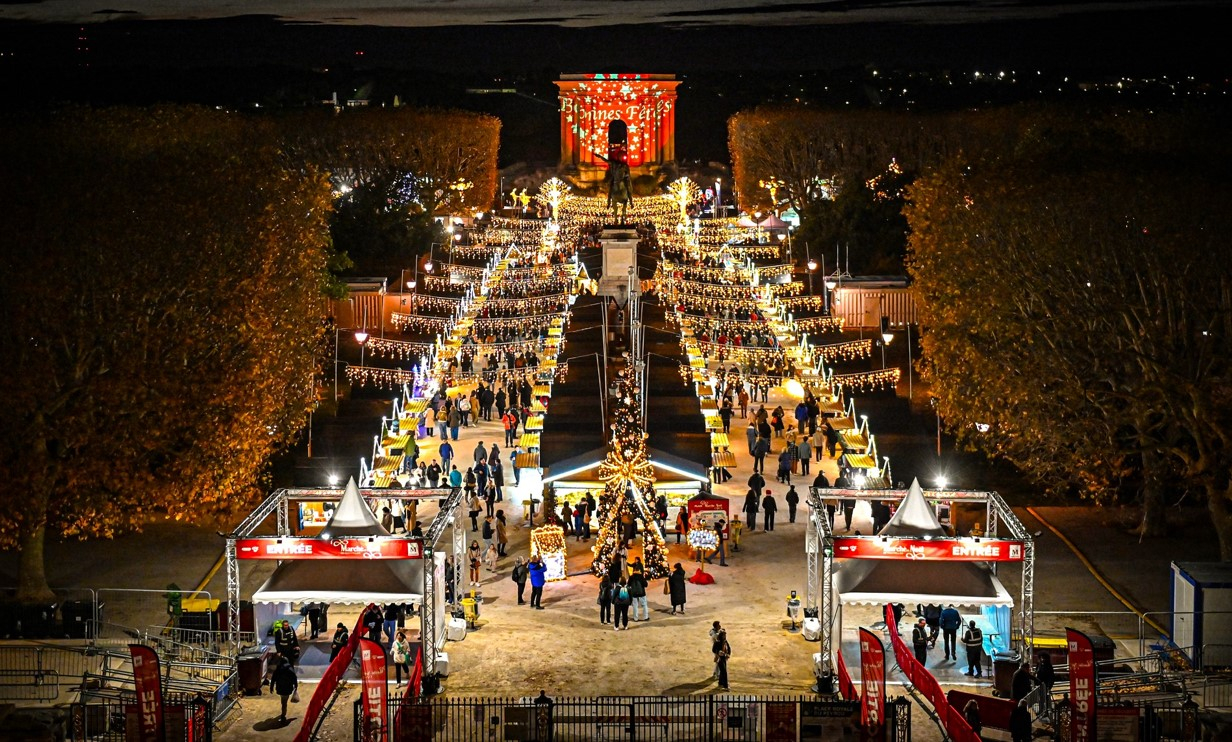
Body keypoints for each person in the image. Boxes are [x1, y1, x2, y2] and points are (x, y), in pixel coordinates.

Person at [270, 656, 299, 724]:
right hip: (288, 688)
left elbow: (273, 679)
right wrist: (296, 686)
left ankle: (283, 714)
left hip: (280, 688)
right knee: (284, 702)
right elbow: (294, 678)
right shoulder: (290, 669)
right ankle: (283, 715)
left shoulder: (278, 669)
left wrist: (271, 687)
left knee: (283, 702)